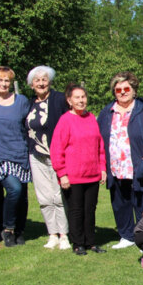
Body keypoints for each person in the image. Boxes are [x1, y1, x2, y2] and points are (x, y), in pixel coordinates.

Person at [98, 71, 143, 250]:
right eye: (118, 89)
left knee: (141, 202)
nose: (122, 92)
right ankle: (126, 235)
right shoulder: (107, 113)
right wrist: (103, 167)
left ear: (134, 90)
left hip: (139, 165)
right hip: (115, 167)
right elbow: (99, 140)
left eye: (126, 88)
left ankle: (142, 236)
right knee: (120, 203)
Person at [52, 84, 107, 256]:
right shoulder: (65, 120)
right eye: (77, 97)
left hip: (92, 174)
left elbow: (99, 146)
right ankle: (78, 243)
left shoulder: (91, 118)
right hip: (73, 176)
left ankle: (91, 242)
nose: (81, 100)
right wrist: (62, 174)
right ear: (69, 100)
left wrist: (102, 168)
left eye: (83, 97)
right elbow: (56, 149)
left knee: (90, 210)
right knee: (76, 210)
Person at [0, 66, 32, 247]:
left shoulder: (22, 101)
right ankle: (7, 228)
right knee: (14, 190)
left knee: (23, 196)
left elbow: (31, 124)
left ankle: (19, 230)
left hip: (20, 152)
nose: (3, 84)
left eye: (6, 80)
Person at [25, 65, 70, 250]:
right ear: (31, 84)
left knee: (59, 196)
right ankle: (52, 234)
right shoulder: (28, 103)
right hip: (36, 156)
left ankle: (64, 234)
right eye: (37, 80)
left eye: (44, 79)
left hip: (57, 154)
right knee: (44, 197)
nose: (41, 83)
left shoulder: (59, 99)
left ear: (50, 82)